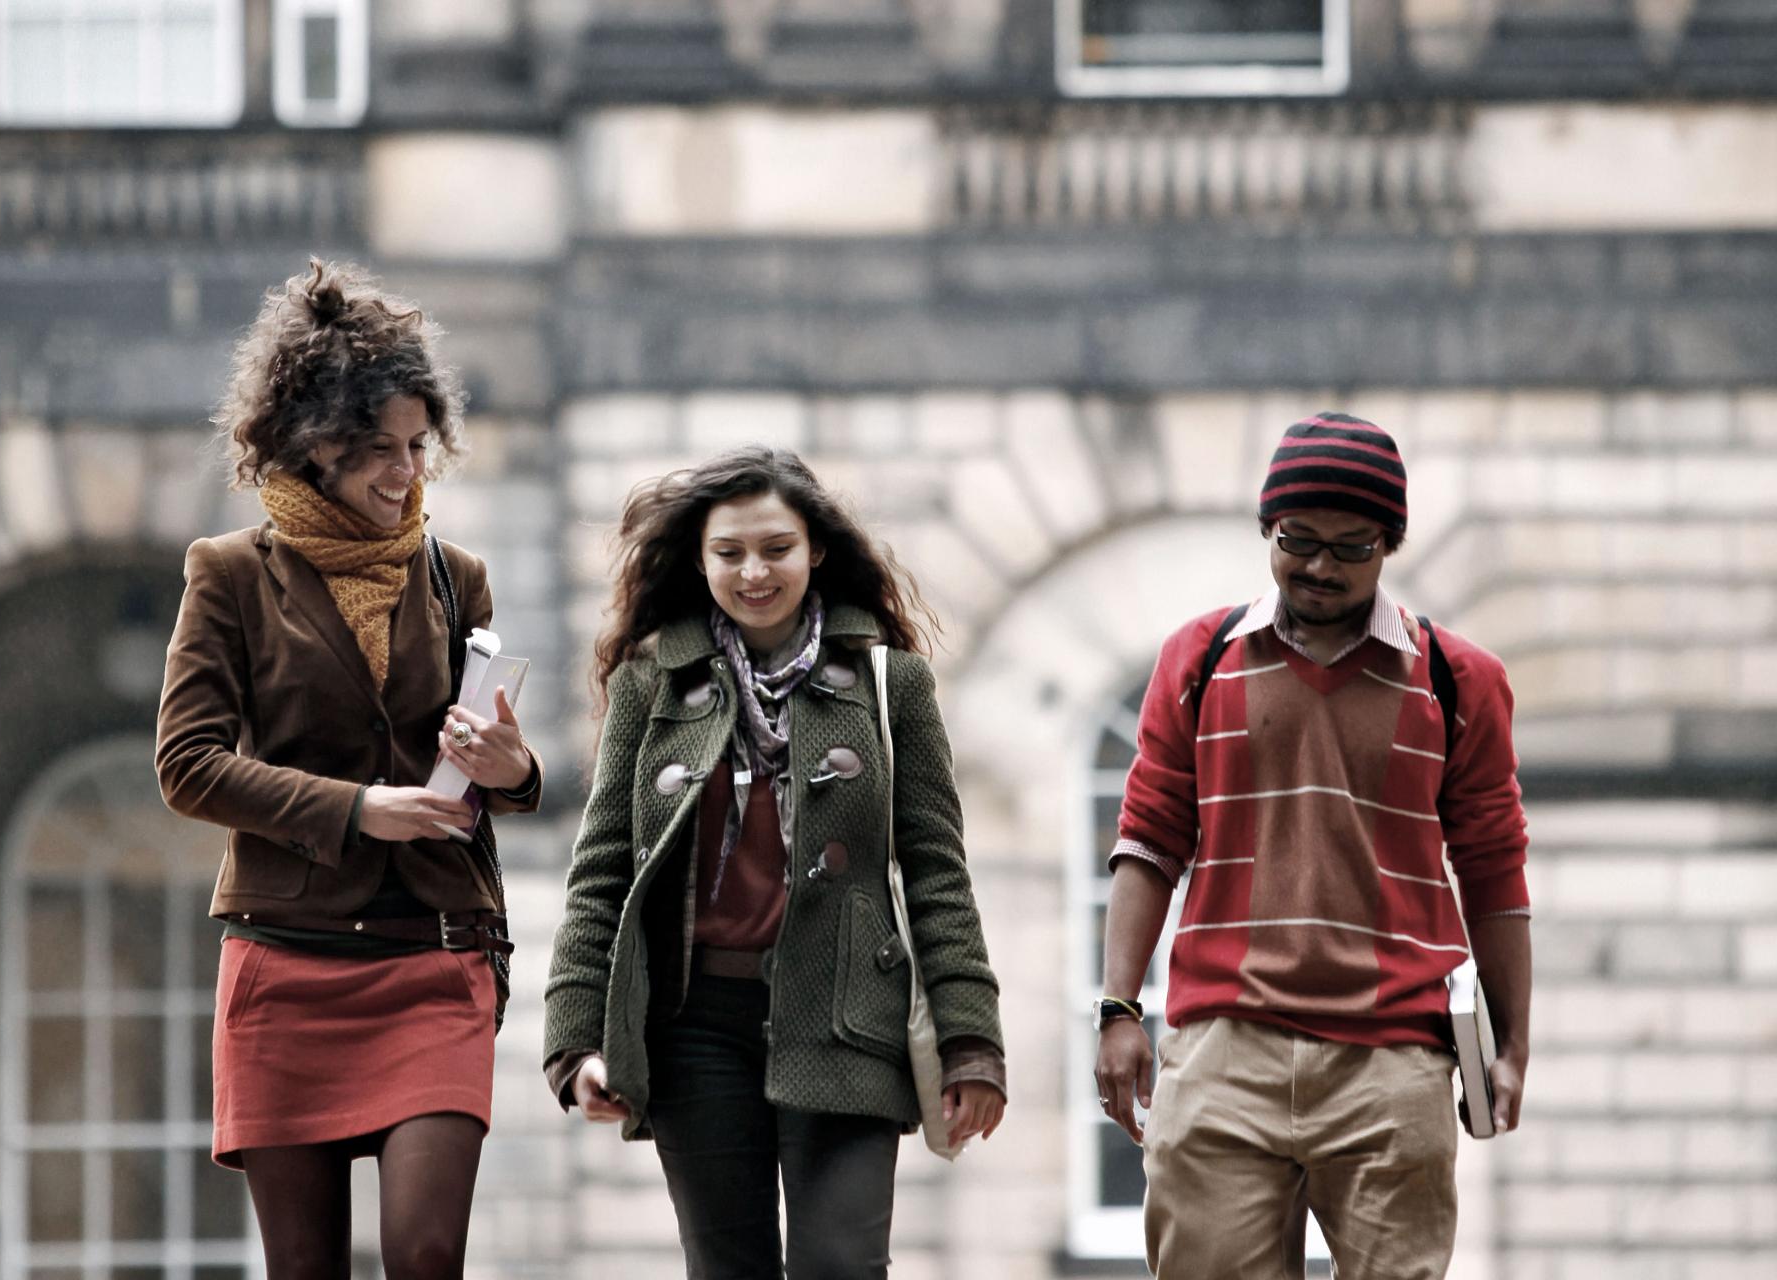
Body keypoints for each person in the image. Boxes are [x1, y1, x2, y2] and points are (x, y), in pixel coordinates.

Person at [155, 259, 543, 1279]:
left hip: (435, 951)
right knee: (304, 1266)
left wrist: (511, 767)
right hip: (286, 960)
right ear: (314, 444)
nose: (406, 473)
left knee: (426, 1251)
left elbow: (489, 772)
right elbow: (187, 764)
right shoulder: (229, 575)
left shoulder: (456, 579)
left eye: (417, 446)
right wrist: (357, 808)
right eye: (379, 450)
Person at [543, 445, 1006, 1278]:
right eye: (729, 553)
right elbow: (603, 873)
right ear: (700, 560)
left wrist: (971, 1042)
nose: (754, 572)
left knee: (842, 1264)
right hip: (694, 1029)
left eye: (776, 548)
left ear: (816, 549)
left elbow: (938, 872)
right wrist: (575, 1043)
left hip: (848, 1016)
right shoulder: (652, 683)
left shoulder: (892, 684)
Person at [1094, 414, 1532, 1279]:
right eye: (1297, 540)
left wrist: (1513, 1046)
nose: (1320, 567)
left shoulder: (1458, 681)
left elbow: (1494, 871)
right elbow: (1147, 843)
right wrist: (1117, 1009)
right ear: (1267, 529)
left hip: (1394, 1059)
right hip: (1222, 1049)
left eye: (1350, 547)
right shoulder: (1199, 660)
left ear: (1388, 546)